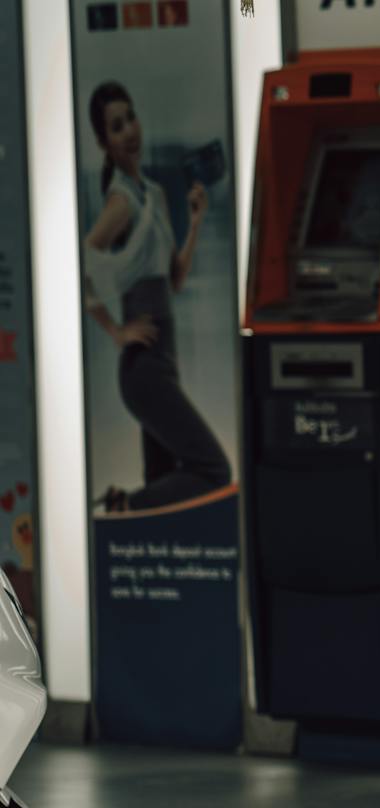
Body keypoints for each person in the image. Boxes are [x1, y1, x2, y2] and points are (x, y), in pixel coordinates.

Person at [82, 81, 231, 513]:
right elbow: (82, 265)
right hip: (143, 368)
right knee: (213, 471)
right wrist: (116, 331)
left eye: (131, 119)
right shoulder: (121, 202)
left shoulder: (157, 195)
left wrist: (198, 223)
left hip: (166, 360)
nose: (130, 131)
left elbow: (176, 279)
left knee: (165, 496)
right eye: (116, 126)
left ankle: (139, 530)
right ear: (104, 143)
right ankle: (121, 505)